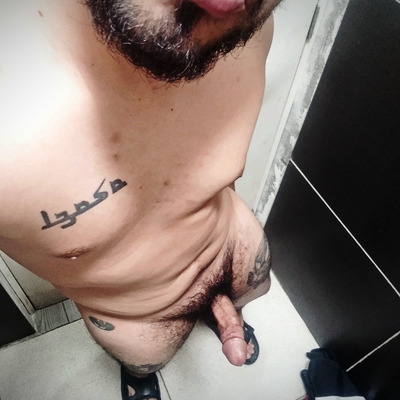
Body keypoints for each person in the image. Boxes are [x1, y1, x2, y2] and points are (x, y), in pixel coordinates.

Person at [0, 0, 282, 399]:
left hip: (239, 256)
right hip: (136, 319)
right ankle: (140, 376)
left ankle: (227, 315)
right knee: (144, 362)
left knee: (239, 302)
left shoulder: (247, 33)